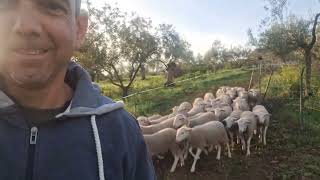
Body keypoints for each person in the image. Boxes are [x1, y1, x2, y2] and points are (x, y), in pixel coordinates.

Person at [0, 0, 156, 180]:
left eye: (52, 6)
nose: (26, 26)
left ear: (79, 29)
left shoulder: (121, 131)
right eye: (4, 5)